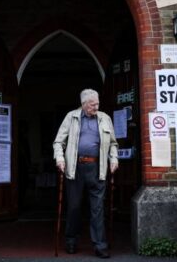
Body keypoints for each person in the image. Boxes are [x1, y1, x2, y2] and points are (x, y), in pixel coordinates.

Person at [53, 89, 118, 259]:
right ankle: (71, 241)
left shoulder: (105, 118)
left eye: (97, 103)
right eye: (92, 104)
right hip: (75, 168)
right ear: (83, 104)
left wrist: (114, 159)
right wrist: (60, 158)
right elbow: (59, 142)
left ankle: (100, 245)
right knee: (74, 207)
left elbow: (113, 144)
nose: (96, 107)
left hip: (97, 168)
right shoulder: (71, 117)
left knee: (97, 208)